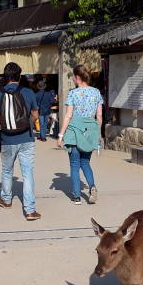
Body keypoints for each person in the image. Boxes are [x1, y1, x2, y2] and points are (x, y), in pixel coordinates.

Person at [0, 62, 40, 221]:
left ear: (6, 77)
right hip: (27, 139)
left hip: (7, 140)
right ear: (19, 76)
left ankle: (6, 200)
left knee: (6, 171)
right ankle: (30, 210)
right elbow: (35, 116)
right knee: (28, 174)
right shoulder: (28, 92)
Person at [58, 65, 103, 205]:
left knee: (74, 164)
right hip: (90, 131)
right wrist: (96, 133)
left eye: (73, 76)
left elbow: (68, 116)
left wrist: (60, 135)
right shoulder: (96, 93)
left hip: (74, 131)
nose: (72, 78)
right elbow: (99, 116)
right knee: (85, 162)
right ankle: (92, 186)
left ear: (77, 78)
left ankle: (77, 196)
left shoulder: (73, 93)